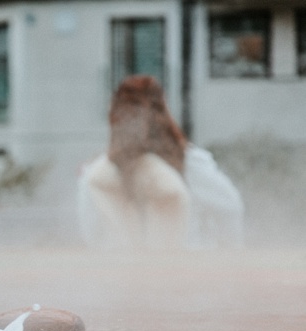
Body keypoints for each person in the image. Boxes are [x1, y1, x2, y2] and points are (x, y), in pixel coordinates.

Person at [77, 75, 243, 249]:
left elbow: (91, 235)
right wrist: (227, 259)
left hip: (121, 272)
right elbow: (231, 209)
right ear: (163, 113)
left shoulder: (95, 176)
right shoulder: (192, 164)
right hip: (184, 271)